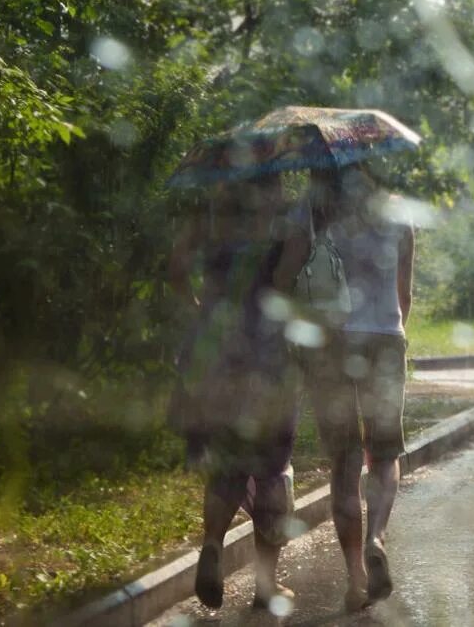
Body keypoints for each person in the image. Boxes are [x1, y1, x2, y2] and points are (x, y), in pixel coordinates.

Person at [276, 165, 414, 611]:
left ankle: (355, 577)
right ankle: (376, 537)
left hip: (332, 344)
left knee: (344, 462)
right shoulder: (398, 213)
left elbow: (283, 281)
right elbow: (404, 296)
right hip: (386, 339)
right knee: (384, 453)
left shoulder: (314, 210)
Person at [167, 174, 304, 611]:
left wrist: (200, 311)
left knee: (227, 461)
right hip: (264, 357)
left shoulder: (210, 216)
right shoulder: (282, 221)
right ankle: (266, 585)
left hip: (214, 356)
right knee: (271, 467)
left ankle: (212, 545)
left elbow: (174, 269)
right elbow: (282, 285)